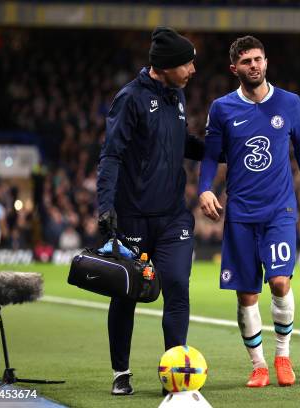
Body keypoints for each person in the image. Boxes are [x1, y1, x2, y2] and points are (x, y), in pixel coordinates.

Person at [198, 36, 300, 388]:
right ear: (234, 68)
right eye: (246, 61)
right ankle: (259, 365)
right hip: (239, 212)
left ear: (266, 62)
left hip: (279, 210)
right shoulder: (222, 108)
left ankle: (283, 356)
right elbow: (210, 155)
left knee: (281, 282)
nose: (254, 65)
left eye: (258, 59)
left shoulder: (289, 102)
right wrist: (205, 188)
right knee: (246, 294)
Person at [97, 26, 203, 396]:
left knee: (176, 286)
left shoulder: (177, 97)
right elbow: (111, 153)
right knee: (128, 293)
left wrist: (217, 150)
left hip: (173, 216)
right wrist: (105, 205)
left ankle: (173, 373)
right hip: (134, 216)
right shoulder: (130, 99)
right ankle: (120, 372)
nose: (192, 69)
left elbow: (181, 143)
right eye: (187, 63)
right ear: (166, 65)